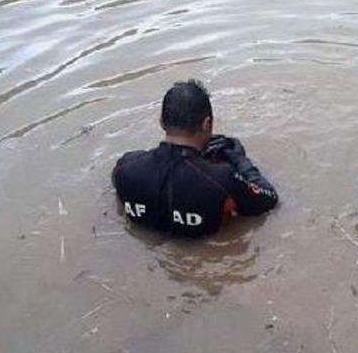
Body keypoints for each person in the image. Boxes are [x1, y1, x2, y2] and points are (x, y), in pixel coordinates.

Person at [112, 79, 278, 236]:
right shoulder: (222, 179)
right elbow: (269, 201)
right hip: (210, 259)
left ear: (161, 122)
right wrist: (240, 161)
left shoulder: (125, 167)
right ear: (207, 124)